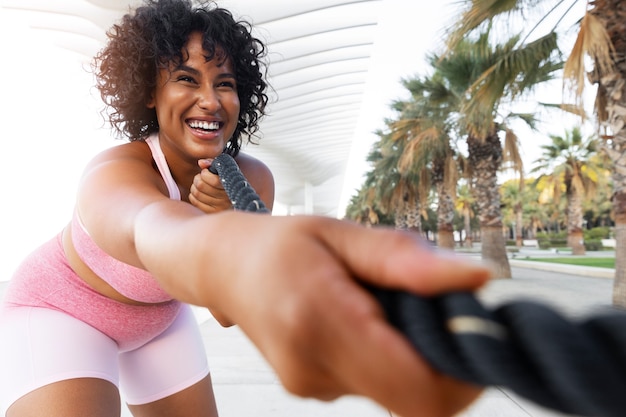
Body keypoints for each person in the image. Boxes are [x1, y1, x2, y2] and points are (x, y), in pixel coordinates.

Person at [0, 1, 492, 416]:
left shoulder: (252, 178)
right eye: (186, 79)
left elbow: (227, 312)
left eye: (226, 83)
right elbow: (150, 228)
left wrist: (228, 227)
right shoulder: (115, 171)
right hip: (59, 313)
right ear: (150, 93)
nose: (210, 101)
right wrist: (221, 237)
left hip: (158, 323)